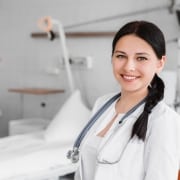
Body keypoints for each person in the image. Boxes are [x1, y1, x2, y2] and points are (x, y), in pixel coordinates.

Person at [73, 20, 180, 180]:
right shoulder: (102, 104)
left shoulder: (163, 120)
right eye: (121, 56)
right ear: (112, 58)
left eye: (141, 58)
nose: (129, 66)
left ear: (160, 63)